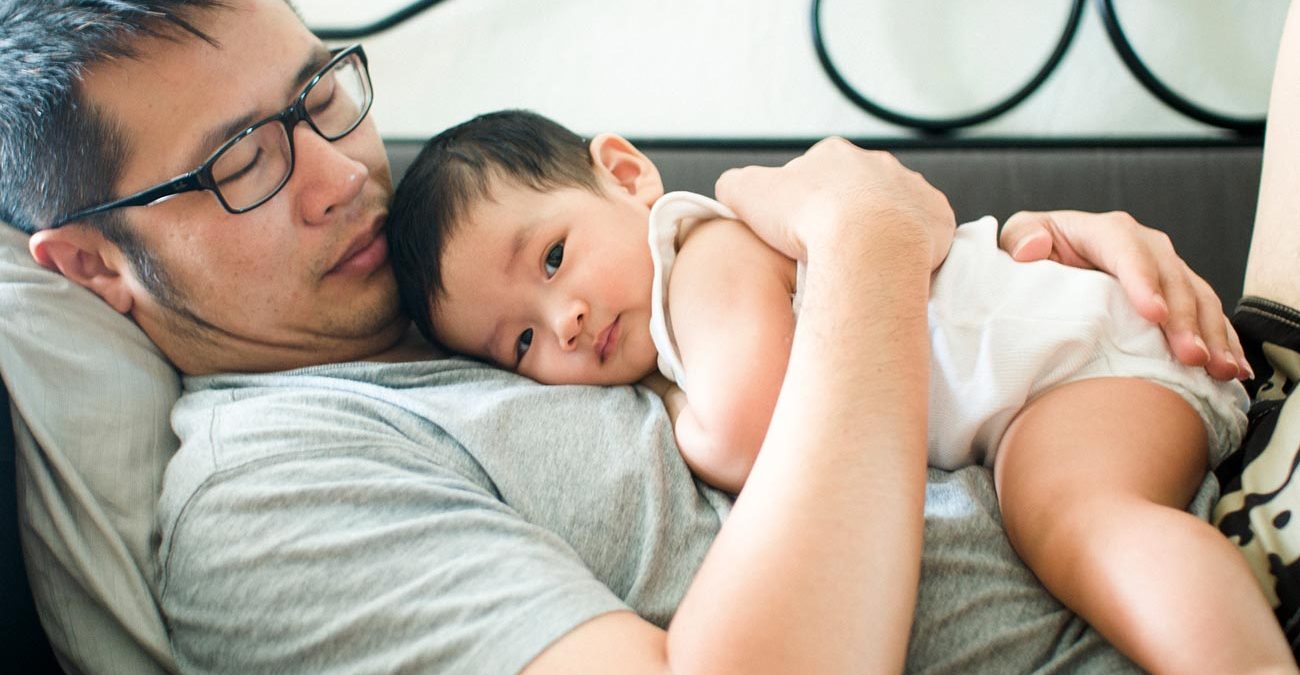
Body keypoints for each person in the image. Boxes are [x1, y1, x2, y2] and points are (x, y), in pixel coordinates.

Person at [0, 0, 1282, 672]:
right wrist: (874, 247)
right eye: (239, 163)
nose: (336, 171)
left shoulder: (484, 236)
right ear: (95, 266)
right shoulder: (270, 496)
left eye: (317, 94)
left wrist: (1030, 259)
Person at [383, 108, 1283, 673]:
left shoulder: (696, 254)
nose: (565, 320)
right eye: (523, 340)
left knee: (1083, 518)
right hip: (1048, 385)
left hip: (1070, 360)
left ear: (624, 175)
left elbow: (745, 428)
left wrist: (669, 409)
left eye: (551, 257)